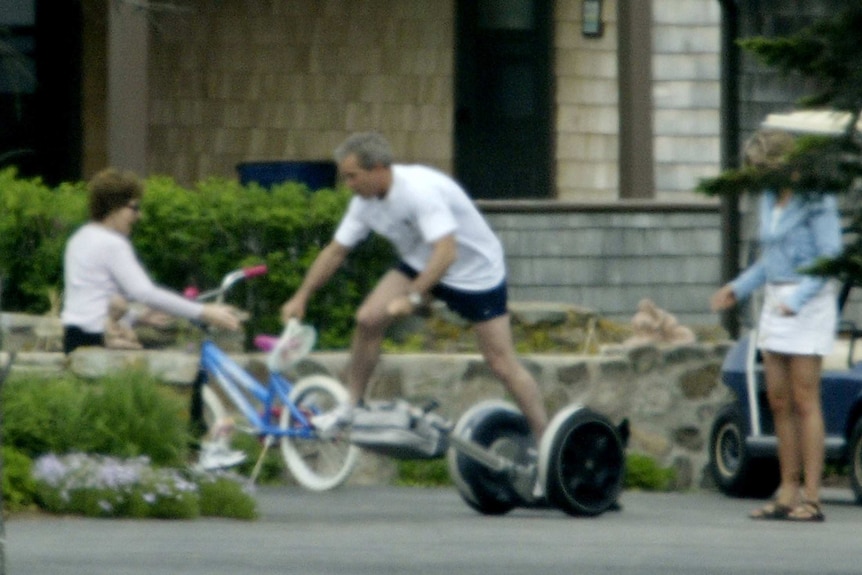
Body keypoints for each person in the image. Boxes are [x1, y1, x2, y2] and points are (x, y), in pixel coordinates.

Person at [280, 132, 549, 447]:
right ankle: (351, 406)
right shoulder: (363, 204)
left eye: (352, 177)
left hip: (475, 272)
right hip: (422, 261)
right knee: (368, 319)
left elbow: (447, 253)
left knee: (501, 362)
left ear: (378, 168)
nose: (348, 185)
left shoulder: (420, 191)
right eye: (345, 178)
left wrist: (414, 297)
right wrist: (302, 295)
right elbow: (335, 251)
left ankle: (546, 440)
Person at [61, 167, 245, 470]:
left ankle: (190, 450)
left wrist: (136, 317)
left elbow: (92, 297)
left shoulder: (81, 239)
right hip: (100, 341)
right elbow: (143, 291)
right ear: (114, 207)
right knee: (189, 373)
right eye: (133, 208)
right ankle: (196, 452)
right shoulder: (111, 243)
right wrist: (203, 311)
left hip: (77, 337)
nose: (138, 216)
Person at [710, 129, 843, 522]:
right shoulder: (770, 199)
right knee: (778, 400)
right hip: (774, 300)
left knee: (805, 399)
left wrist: (797, 300)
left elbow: (830, 257)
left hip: (809, 300)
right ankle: (787, 490)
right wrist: (737, 288)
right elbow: (770, 261)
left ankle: (813, 497)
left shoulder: (818, 200)